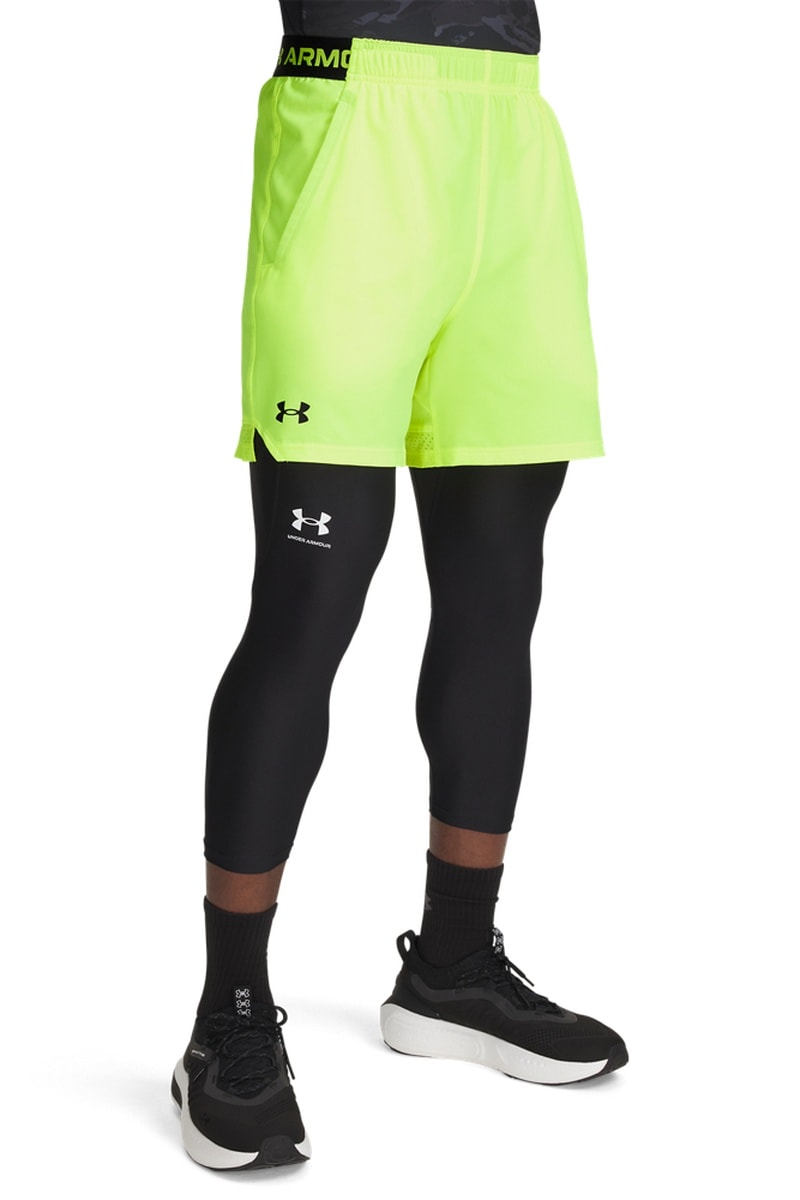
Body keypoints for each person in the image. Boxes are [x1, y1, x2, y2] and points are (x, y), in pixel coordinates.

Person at [171, 0, 628, 1171]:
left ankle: (453, 968)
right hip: (353, 122)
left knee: (496, 592)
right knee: (310, 602)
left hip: (510, 138)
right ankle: (227, 1015)